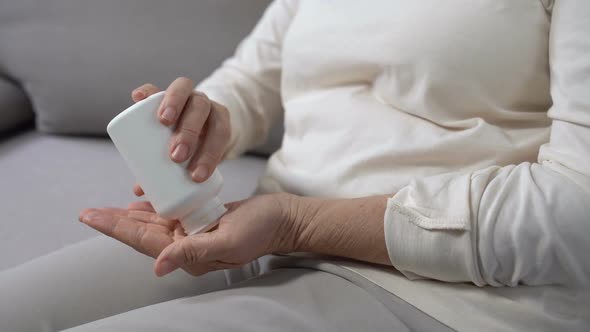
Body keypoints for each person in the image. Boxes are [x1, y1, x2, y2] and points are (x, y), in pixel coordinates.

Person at [1, 0, 589, 331]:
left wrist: (297, 222)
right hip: (261, 237)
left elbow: (577, 210)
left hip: (456, 295)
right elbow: (256, 77)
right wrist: (208, 121)